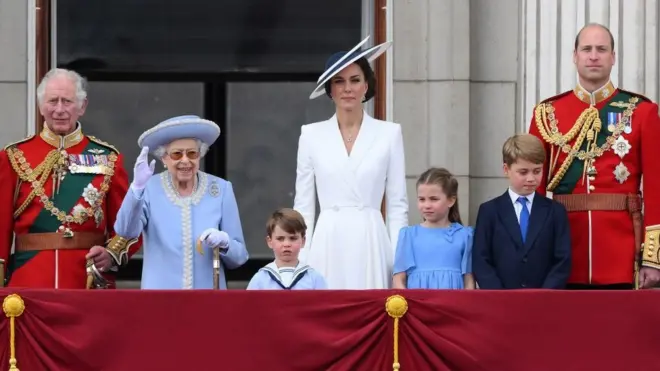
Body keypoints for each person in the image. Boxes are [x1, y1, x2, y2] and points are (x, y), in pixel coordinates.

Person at [528, 23, 660, 289]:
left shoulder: (642, 112)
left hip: (622, 253)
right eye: (586, 49)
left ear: (613, 57)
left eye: (602, 49)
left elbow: (657, 187)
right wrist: (536, 251)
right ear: (575, 56)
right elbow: (535, 189)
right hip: (563, 251)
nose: (593, 56)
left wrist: (652, 258)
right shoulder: (547, 113)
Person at [0, 68, 140, 289]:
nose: (59, 110)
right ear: (40, 106)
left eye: (67, 101)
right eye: (52, 101)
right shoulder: (14, 155)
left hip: (87, 281)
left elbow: (128, 223)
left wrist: (111, 254)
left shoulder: (108, 158)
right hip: (28, 281)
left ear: (82, 107)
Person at [294, 35, 408, 289]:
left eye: (355, 80)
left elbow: (398, 206)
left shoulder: (390, 133)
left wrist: (399, 264)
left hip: (371, 239)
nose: (347, 88)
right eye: (339, 81)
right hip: (328, 240)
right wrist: (302, 258)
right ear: (330, 89)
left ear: (366, 86)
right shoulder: (310, 135)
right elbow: (303, 206)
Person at [113, 115, 249, 289]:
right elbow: (125, 231)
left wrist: (225, 243)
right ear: (164, 158)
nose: (185, 160)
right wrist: (137, 188)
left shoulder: (221, 189)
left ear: (200, 155)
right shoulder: (149, 188)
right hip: (161, 301)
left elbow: (240, 257)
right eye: (177, 154)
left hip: (207, 300)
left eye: (192, 153)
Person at [472, 134, 572, 289]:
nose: (531, 178)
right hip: (501, 301)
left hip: (544, 300)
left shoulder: (555, 211)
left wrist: (546, 294)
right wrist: (498, 294)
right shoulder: (489, 211)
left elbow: (562, 259)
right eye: (523, 172)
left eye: (537, 171)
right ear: (506, 169)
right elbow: (481, 259)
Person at [392, 168, 475, 290]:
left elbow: (469, 280)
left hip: (452, 304)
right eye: (422, 199)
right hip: (418, 305)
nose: (427, 205)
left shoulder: (465, 235)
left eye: (434, 199)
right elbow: (399, 279)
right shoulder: (408, 235)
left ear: (451, 200)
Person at [247, 208, 326, 290]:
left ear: (303, 241)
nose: (286, 244)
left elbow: (325, 302)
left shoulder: (314, 279)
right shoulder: (260, 279)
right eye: (280, 239)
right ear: (269, 241)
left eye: (293, 238)